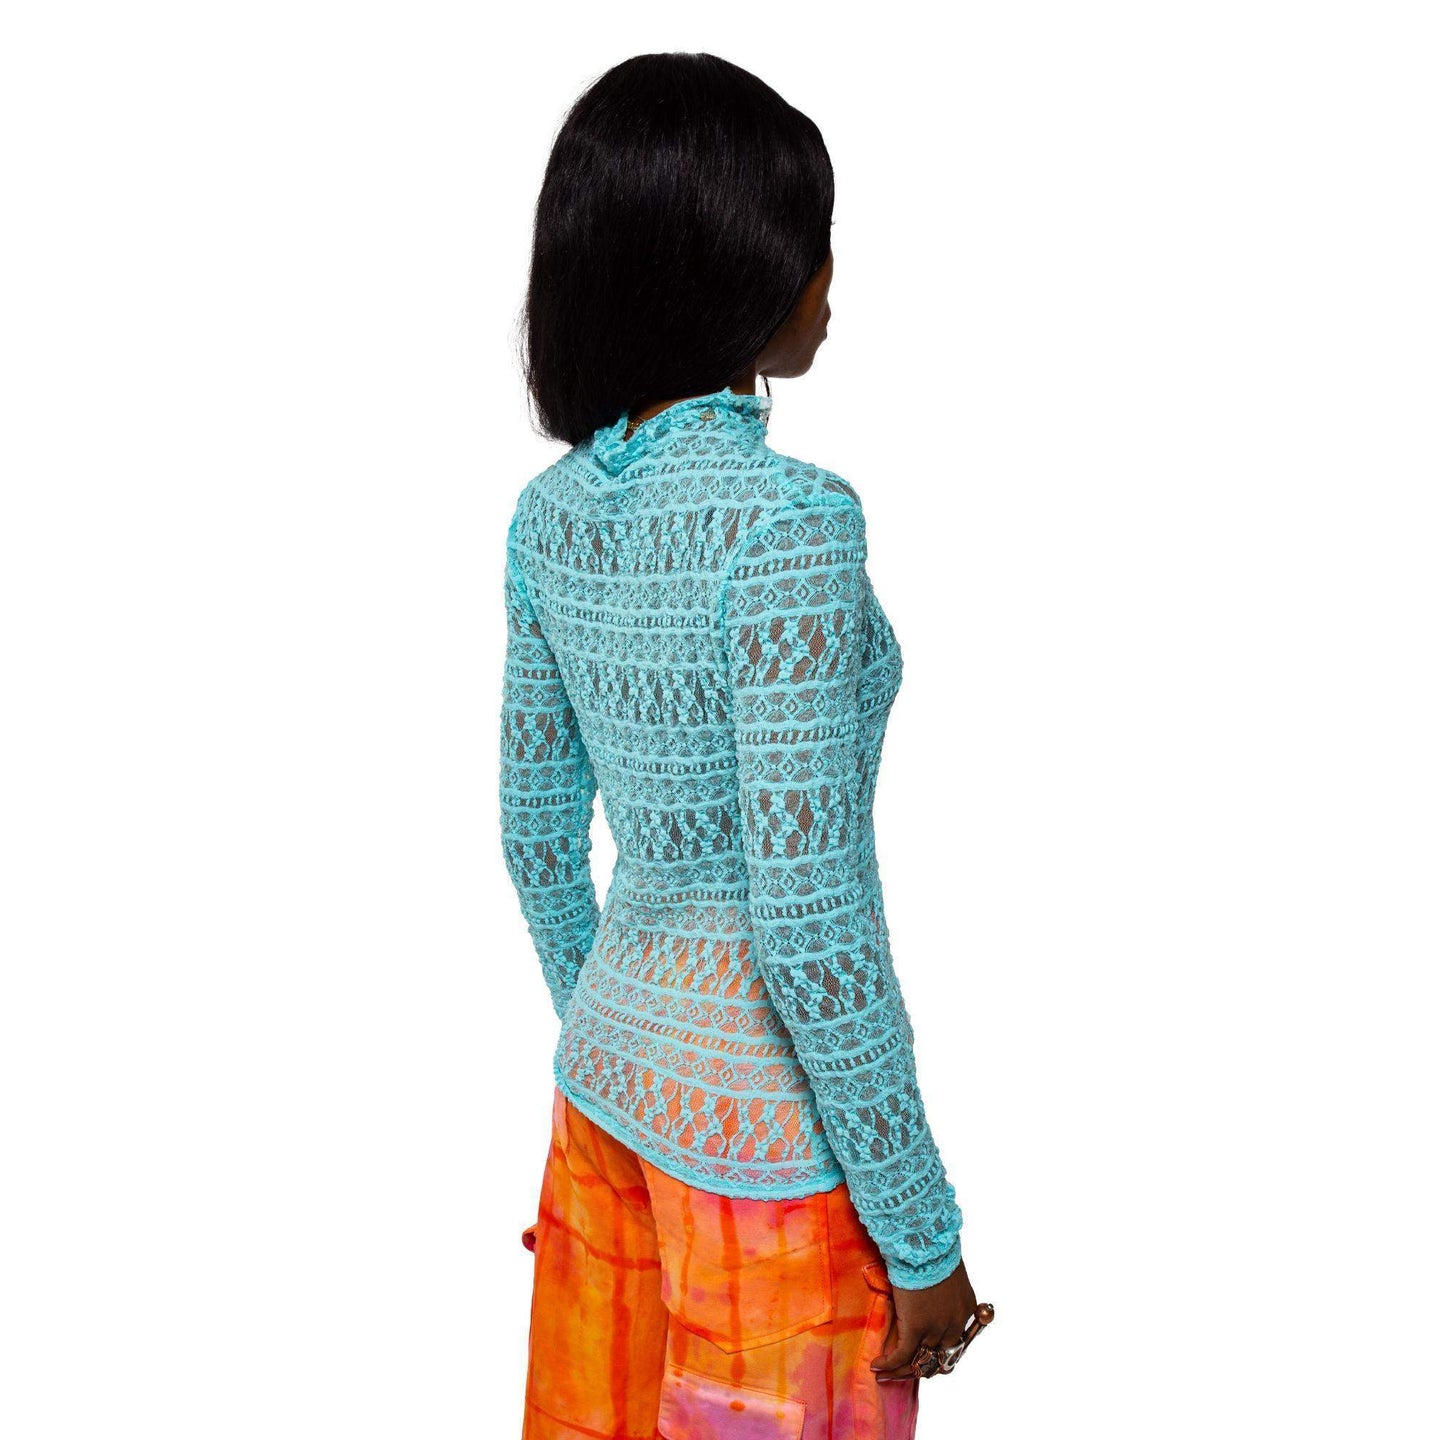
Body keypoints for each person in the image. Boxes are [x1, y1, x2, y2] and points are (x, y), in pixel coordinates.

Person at [500, 51, 984, 1438]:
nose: (831, 280)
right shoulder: (791, 526)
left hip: (602, 1101)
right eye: (813, 240)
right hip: (765, 1163)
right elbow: (808, 909)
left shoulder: (551, 515)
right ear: (734, 265)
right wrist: (922, 1231)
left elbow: (538, 841)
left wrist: (627, 1035)